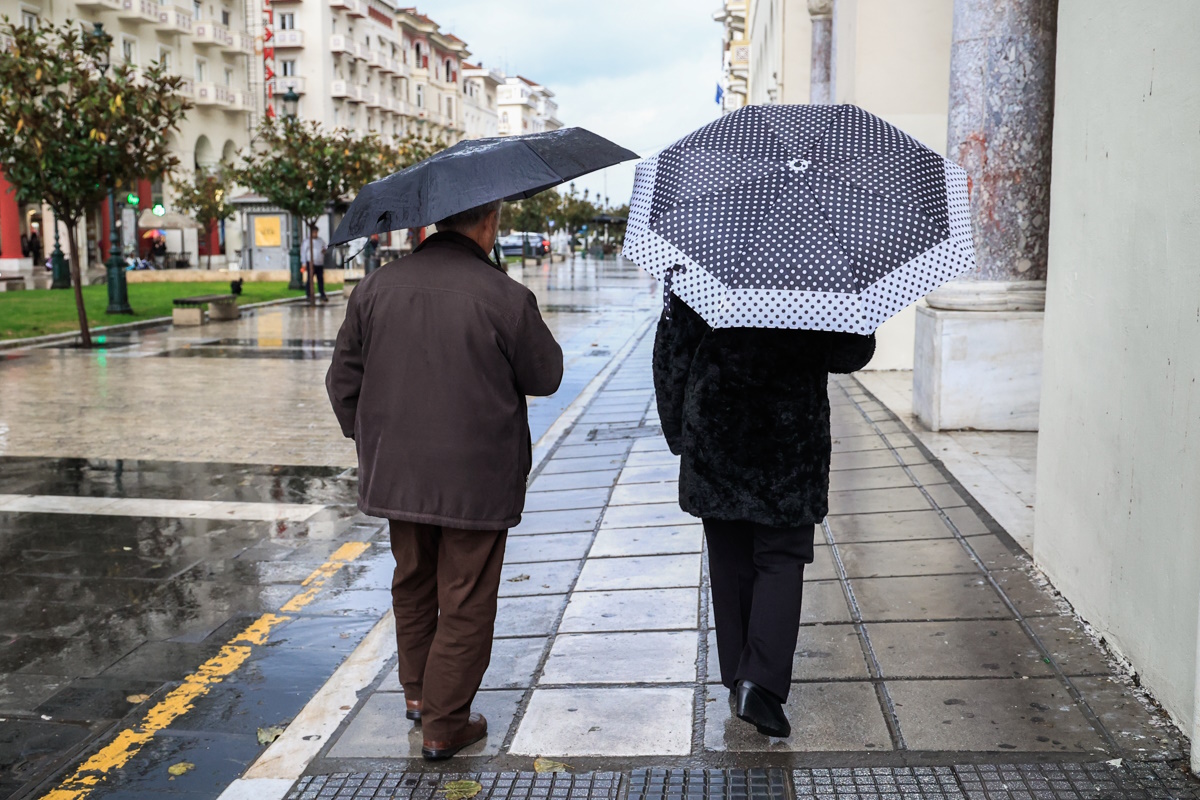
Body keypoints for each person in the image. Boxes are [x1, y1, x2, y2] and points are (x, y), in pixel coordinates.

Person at [326, 200, 563, 760]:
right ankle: (445, 721)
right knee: (465, 595)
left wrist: (371, 443)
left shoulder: (377, 288)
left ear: (433, 224)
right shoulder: (503, 296)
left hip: (399, 474)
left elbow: (343, 381)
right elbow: (546, 374)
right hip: (475, 477)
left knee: (413, 581)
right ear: (488, 223)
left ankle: (417, 696)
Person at [652, 295, 875, 738]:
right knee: (782, 556)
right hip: (789, 437)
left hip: (716, 429)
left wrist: (679, 433)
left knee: (729, 556)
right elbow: (849, 353)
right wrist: (858, 314)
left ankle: (741, 679)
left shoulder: (704, 260)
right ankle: (761, 683)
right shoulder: (815, 267)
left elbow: (671, 352)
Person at [301, 225, 328, 302]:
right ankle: (309, 294)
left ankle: (322, 294)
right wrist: (304, 263)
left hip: (319, 263)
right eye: (314, 232)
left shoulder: (320, 241)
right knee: (310, 279)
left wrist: (324, 251)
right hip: (311, 262)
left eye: (316, 232)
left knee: (320, 279)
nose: (315, 234)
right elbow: (303, 253)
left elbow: (325, 247)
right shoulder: (307, 241)